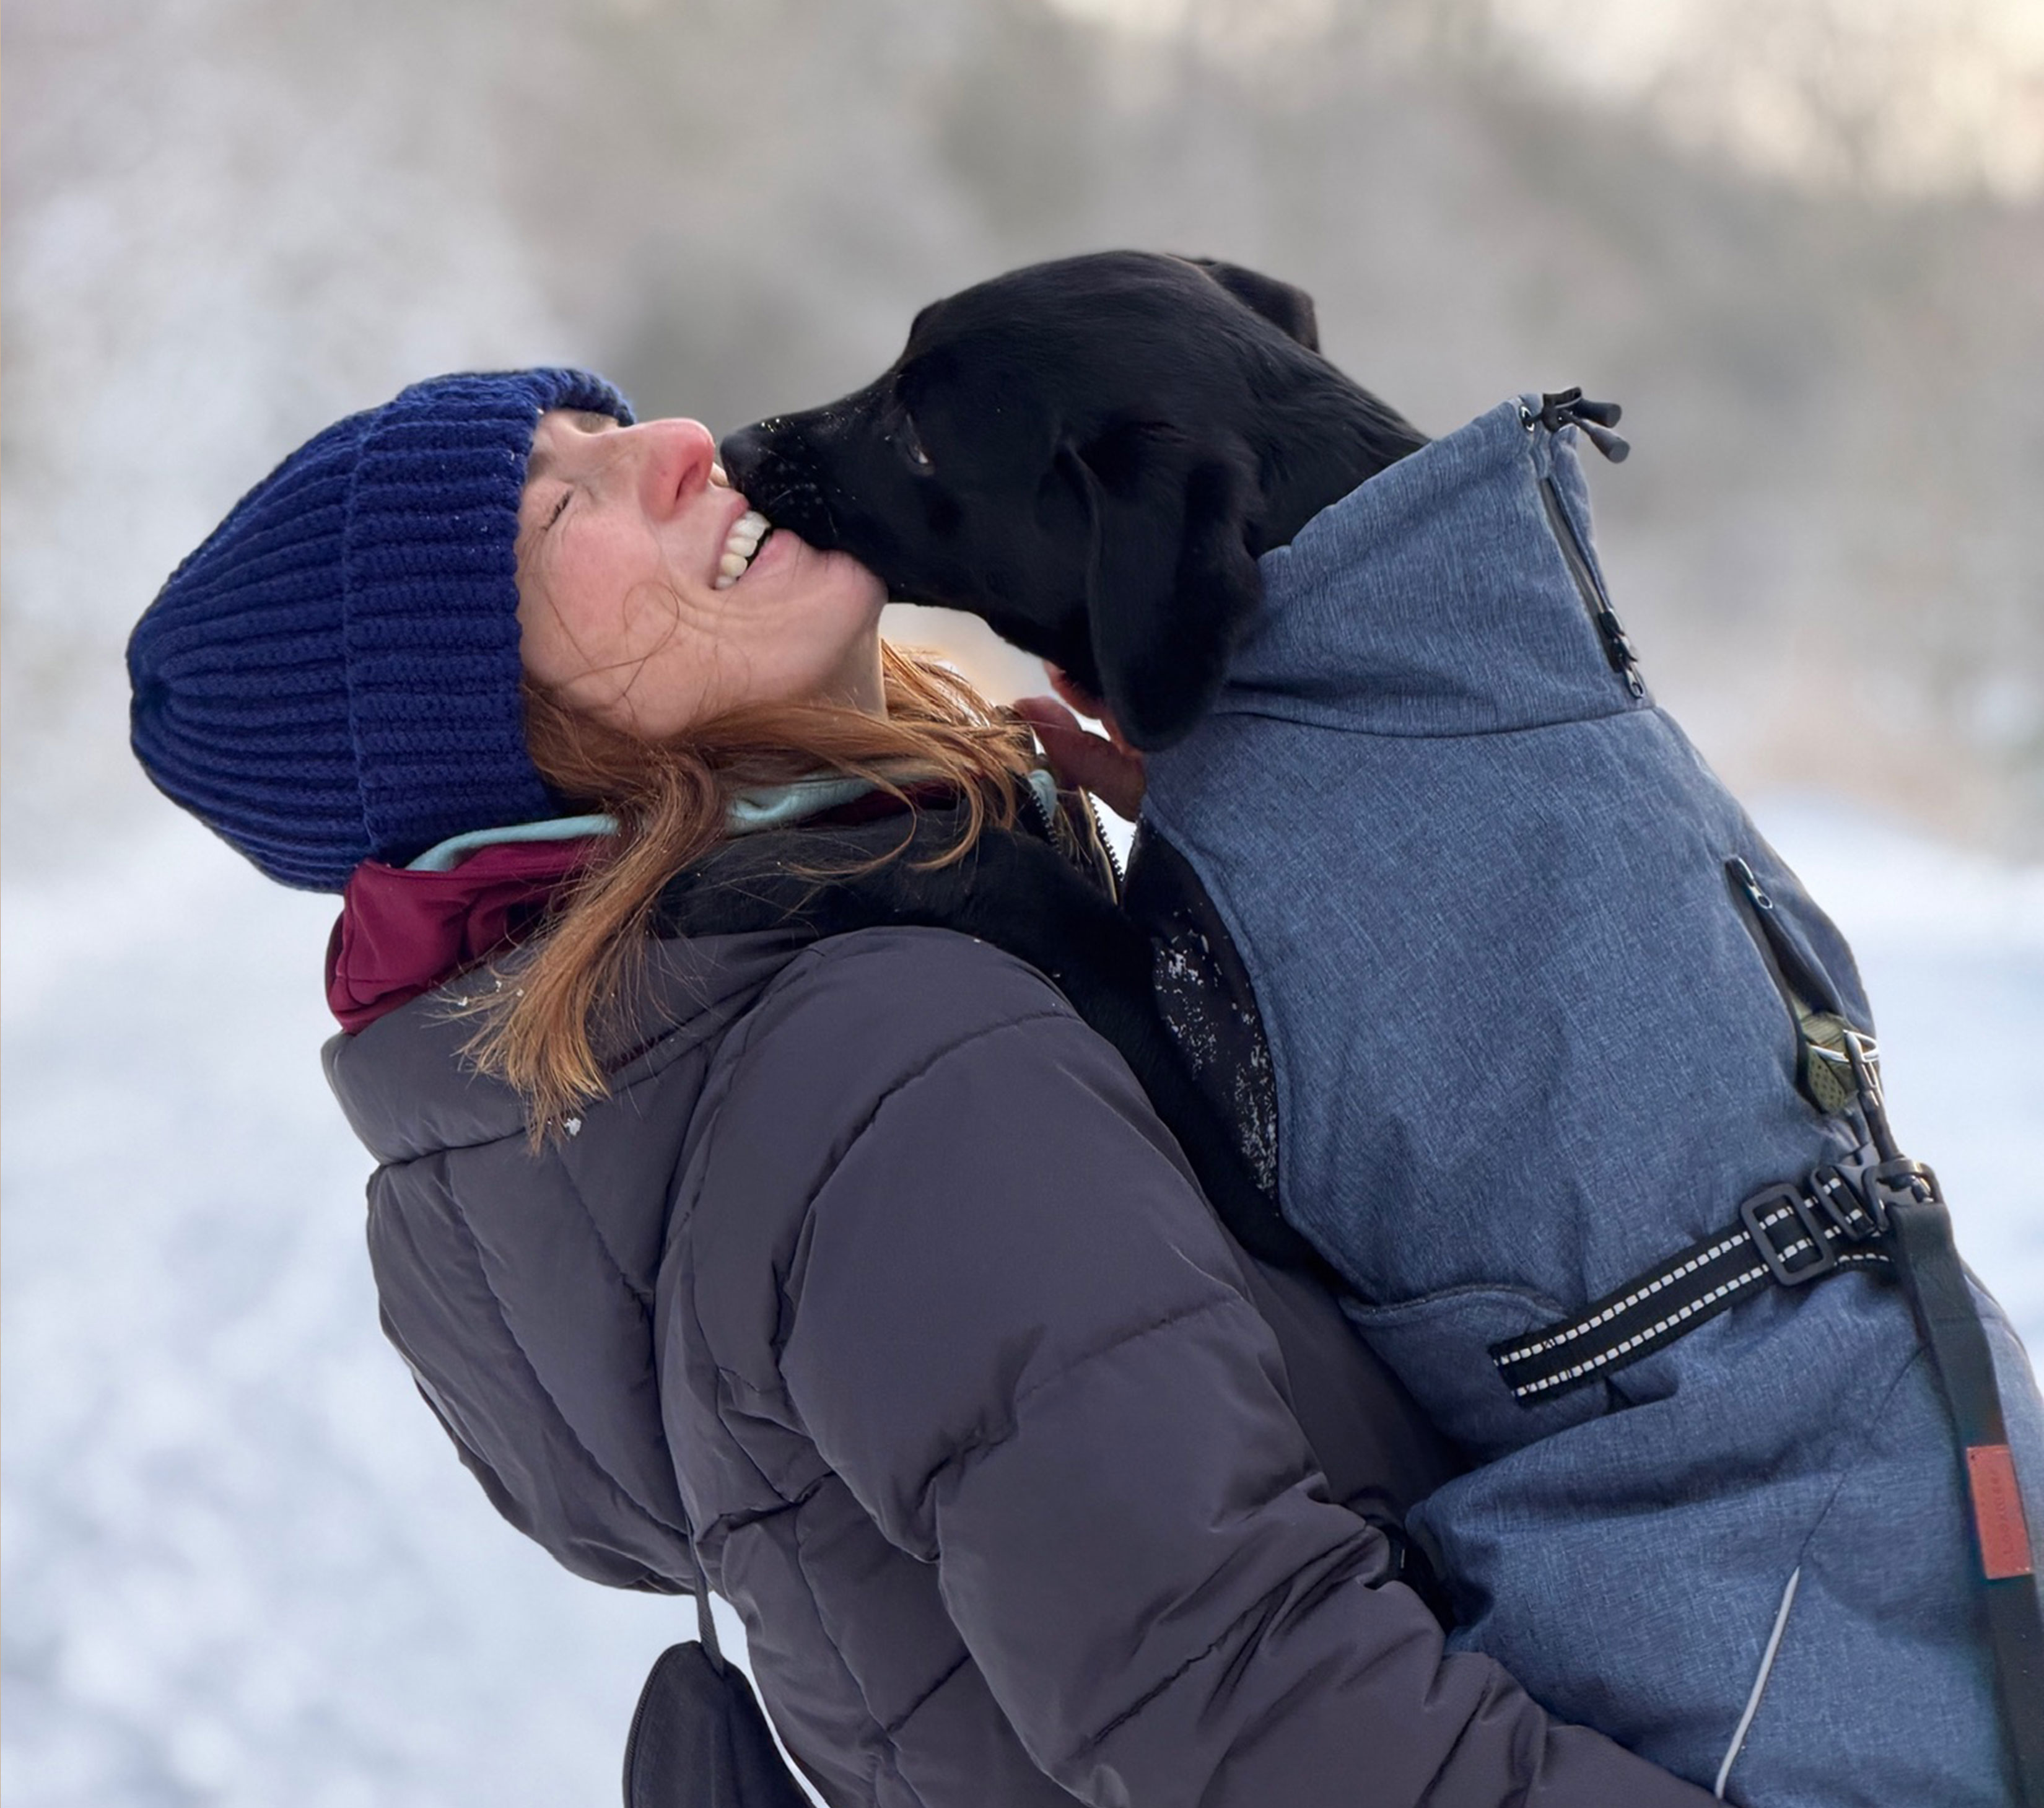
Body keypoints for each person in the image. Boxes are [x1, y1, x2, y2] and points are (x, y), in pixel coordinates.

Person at [128, 368, 1716, 1806]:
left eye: (613, 429)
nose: (681, 444)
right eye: (564, 505)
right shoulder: (886, 1069)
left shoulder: (794, 1016)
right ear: (500, 742)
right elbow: (1266, 1716)